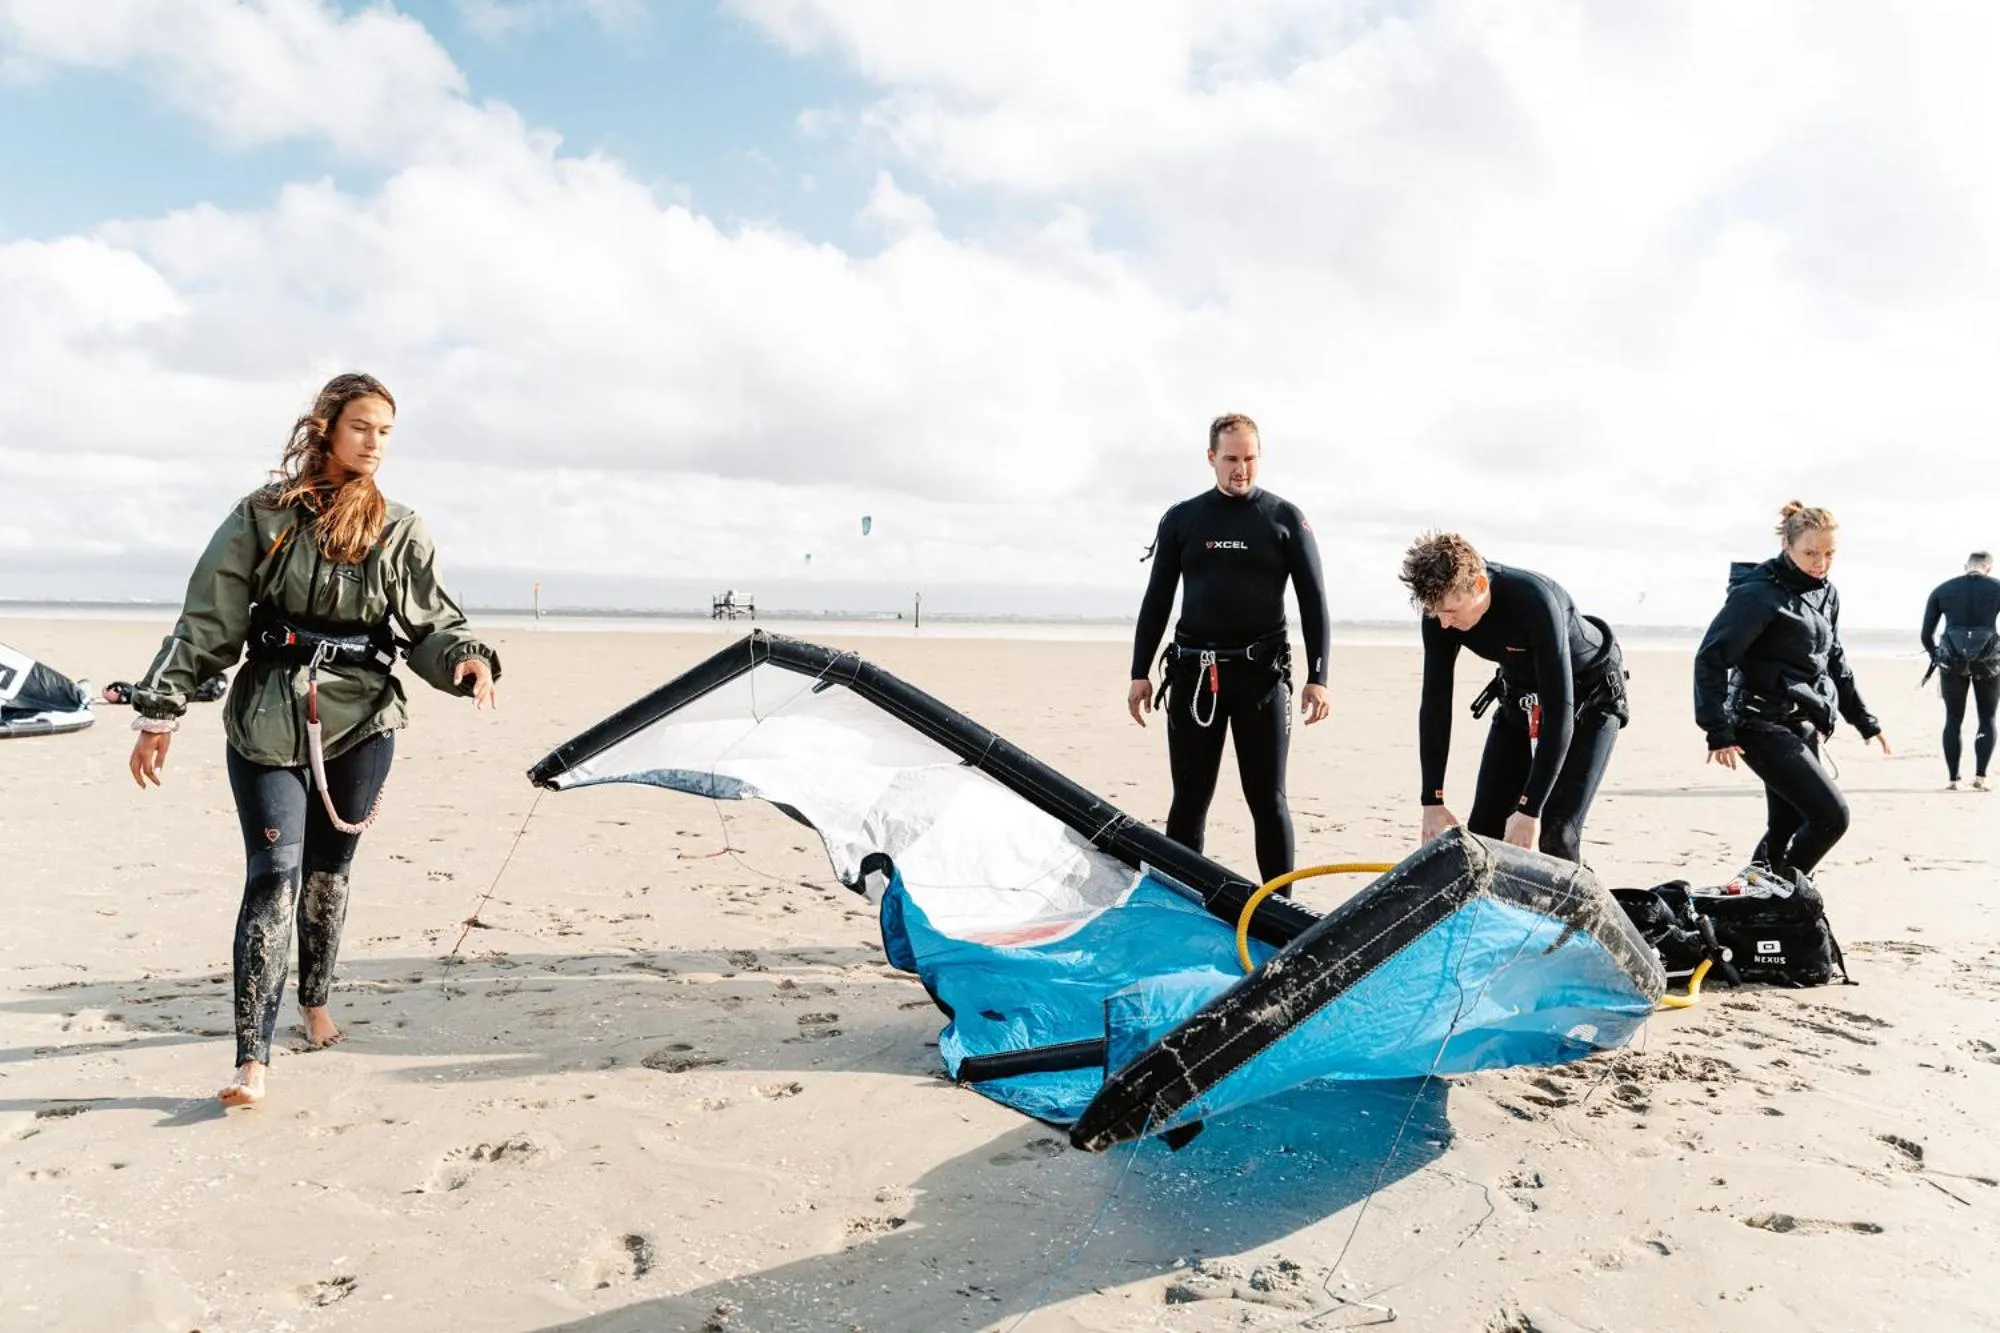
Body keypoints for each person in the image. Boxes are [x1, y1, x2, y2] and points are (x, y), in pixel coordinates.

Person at [128, 373, 499, 1108]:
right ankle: (251, 1058)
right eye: (362, 426)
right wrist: (159, 710)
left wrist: (467, 659)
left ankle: (316, 999)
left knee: (328, 877)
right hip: (271, 716)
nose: (375, 443)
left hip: (362, 721)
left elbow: (431, 624)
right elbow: (206, 619)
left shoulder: (400, 526)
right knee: (274, 874)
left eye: (387, 431)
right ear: (327, 426)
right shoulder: (263, 516)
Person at [1127, 413, 1330, 885]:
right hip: (1195, 678)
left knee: (1268, 799)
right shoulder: (1182, 519)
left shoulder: (1285, 519)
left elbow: (1314, 600)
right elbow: (1157, 599)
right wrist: (1140, 671)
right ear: (1211, 458)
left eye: (1250, 458)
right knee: (1190, 797)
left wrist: (1320, 678)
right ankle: (1180, 899)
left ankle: (1280, 904)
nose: (1242, 469)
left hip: (1262, 679)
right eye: (1231, 459)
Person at [1399, 533, 1629, 864]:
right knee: (1484, 833)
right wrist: (1431, 800)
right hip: (1518, 696)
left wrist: (1529, 809)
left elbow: (1558, 712)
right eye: (1436, 613)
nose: (1445, 624)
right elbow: (1435, 702)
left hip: (1589, 699)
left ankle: (1577, 915)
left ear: (1478, 585)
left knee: (1556, 834)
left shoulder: (1535, 600)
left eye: (1451, 611)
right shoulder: (1439, 613)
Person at [1693, 501, 1888, 880]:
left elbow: (1834, 659)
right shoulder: (1756, 595)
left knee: (1786, 825)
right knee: (1831, 817)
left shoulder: (1825, 592)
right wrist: (1716, 730)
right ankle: (1783, 897)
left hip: (1802, 720)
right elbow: (1712, 658)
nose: (1821, 563)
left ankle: (1755, 896)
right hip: (1757, 722)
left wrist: (1864, 720)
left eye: (1830, 553)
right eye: (1811, 553)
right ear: (1788, 545)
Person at [1921, 550, 2000, 791]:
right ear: (1989, 567)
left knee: (1953, 718)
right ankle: (1981, 777)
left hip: (1952, 660)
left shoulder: (1943, 590)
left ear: (1966, 565)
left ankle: (1953, 779)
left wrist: (1937, 656)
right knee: (1987, 717)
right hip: (1988, 661)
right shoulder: (1997, 587)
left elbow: (1926, 635)